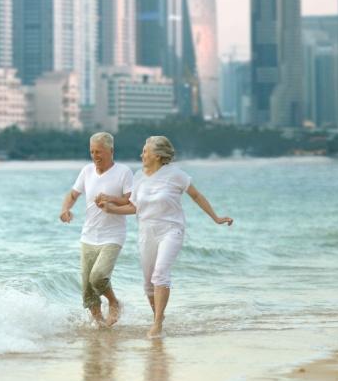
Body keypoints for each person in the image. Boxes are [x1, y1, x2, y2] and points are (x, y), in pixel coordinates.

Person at [99, 136, 233, 337]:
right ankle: (158, 317)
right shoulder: (138, 177)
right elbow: (134, 207)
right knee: (148, 283)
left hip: (171, 230)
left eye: (145, 151)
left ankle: (158, 324)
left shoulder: (175, 175)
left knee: (160, 273)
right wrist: (110, 209)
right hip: (146, 232)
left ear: (158, 155)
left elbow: (196, 196)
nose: (141, 154)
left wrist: (216, 218)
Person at [60, 132, 133, 327]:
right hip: (88, 235)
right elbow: (73, 194)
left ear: (111, 151)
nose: (95, 156)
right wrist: (65, 209)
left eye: (99, 152)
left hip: (113, 235)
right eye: (92, 151)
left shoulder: (124, 172)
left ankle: (114, 302)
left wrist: (110, 199)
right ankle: (101, 327)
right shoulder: (86, 171)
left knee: (98, 277)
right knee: (88, 289)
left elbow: (130, 200)